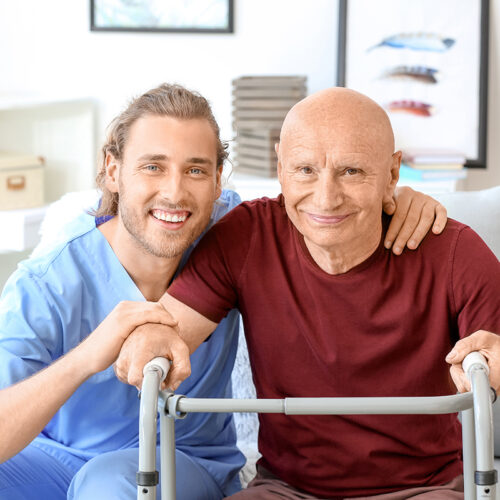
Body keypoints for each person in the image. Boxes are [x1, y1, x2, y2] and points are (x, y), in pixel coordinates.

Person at [0, 83, 443, 500]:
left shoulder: (237, 232)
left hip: (182, 460)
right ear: (113, 170)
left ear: (217, 182)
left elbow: (320, 204)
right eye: (153, 166)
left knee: (110, 482)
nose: (174, 192)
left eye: (194, 170)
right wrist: (86, 356)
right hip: (56, 461)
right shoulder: (46, 283)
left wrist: (399, 198)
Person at [116, 88, 500, 499]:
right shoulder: (246, 237)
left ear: (391, 174)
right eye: (305, 170)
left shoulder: (453, 250)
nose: (326, 197)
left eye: (351, 172)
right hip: (284, 490)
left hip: (426, 489)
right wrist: (151, 339)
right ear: (280, 167)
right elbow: (167, 329)